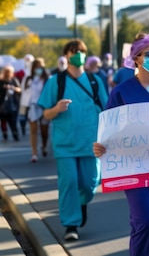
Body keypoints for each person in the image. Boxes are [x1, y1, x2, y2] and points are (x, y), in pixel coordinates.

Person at [93, 33, 149, 256]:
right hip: (134, 169)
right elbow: (107, 131)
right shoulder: (121, 92)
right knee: (145, 221)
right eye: (148, 54)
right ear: (137, 59)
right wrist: (100, 147)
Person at [38, 39, 109, 241]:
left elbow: (107, 111)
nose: (77, 53)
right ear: (66, 55)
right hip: (65, 144)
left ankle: (82, 203)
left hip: (91, 143)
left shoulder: (95, 82)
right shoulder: (56, 82)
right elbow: (46, 114)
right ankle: (71, 224)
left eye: (81, 51)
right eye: (73, 51)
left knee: (90, 183)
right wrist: (56, 108)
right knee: (69, 182)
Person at [26, 58, 50, 163]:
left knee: (44, 130)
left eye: (40, 66)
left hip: (44, 107)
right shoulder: (28, 79)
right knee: (33, 130)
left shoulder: (47, 79)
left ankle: (44, 145)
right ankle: (34, 153)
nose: (38, 69)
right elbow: (24, 93)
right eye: (36, 66)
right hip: (32, 107)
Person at [0, 65, 21, 141]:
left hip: (12, 104)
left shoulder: (13, 80)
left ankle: (15, 134)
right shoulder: (0, 82)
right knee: (3, 120)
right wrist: (3, 88)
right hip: (1, 104)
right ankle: (4, 133)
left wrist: (12, 88)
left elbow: (19, 89)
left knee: (12, 121)